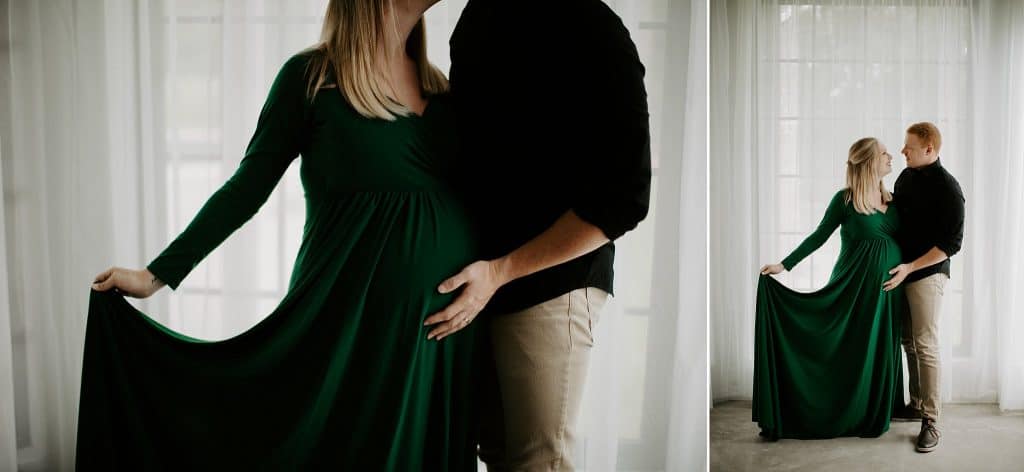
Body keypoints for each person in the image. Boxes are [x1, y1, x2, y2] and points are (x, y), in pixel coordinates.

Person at [78, 0, 481, 469]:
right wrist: (156, 275)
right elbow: (246, 189)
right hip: (347, 326)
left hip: (439, 335)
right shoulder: (312, 79)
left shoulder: (442, 89)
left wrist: (493, 279)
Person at [427, 1, 652, 469]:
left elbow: (625, 198)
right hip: (476, 283)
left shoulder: (594, 26)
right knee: (495, 452)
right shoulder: (479, 18)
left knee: (538, 462)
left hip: (552, 284)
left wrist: (501, 272)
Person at [755, 137, 904, 440]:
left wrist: (911, 269)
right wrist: (784, 264)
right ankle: (834, 411)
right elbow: (819, 236)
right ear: (868, 162)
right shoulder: (845, 200)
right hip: (852, 289)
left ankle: (871, 410)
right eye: (883, 153)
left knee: (874, 352)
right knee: (847, 352)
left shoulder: (894, 200)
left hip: (888, 292)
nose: (891, 156)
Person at [886, 122, 965, 453]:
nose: (902, 151)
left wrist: (911, 267)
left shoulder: (949, 188)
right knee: (908, 342)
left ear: (929, 149)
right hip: (902, 272)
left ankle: (931, 420)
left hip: (928, 274)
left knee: (925, 344)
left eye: (909, 147)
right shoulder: (905, 177)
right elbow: (900, 217)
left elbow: (951, 245)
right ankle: (916, 404)